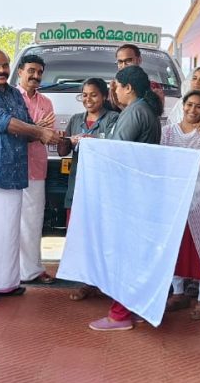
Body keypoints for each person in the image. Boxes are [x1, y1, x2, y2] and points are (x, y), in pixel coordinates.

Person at [0, 49, 61, 304]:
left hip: (16, 172)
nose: (1, 71)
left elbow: (27, 126)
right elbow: (2, 121)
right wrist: (39, 131)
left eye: (5, 65)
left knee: (9, 231)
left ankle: (6, 282)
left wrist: (46, 133)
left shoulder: (13, 94)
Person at [88, 65, 163, 331]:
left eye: (117, 87)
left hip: (130, 192)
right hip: (141, 190)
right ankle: (135, 307)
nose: (115, 92)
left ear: (128, 88)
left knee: (124, 253)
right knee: (136, 253)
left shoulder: (134, 112)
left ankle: (119, 315)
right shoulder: (145, 110)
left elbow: (115, 152)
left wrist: (88, 144)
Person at [57, 78, 119, 301]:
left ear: (104, 96)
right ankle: (86, 283)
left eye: (93, 94)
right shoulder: (76, 119)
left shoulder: (113, 119)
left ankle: (105, 282)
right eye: (84, 95)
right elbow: (62, 151)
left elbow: (114, 148)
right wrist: (64, 140)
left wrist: (91, 140)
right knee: (80, 236)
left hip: (103, 188)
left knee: (103, 235)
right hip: (78, 187)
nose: (88, 99)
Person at [162, 90, 200, 320]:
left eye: (198, 106)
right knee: (174, 246)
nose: (192, 110)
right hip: (173, 200)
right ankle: (178, 293)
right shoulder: (168, 132)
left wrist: (181, 160)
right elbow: (162, 158)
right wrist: (193, 157)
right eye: (189, 104)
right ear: (182, 105)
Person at [15, 54, 56, 285]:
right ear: (20, 71)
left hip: (37, 168)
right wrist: (36, 129)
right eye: (31, 70)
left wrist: (35, 131)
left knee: (33, 221)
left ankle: (32, 270)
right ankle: (10, 271)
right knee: (10, 220)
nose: (36, 76)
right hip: (12, 168)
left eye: (39, 72)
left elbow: (47, 135)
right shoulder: (10, 97)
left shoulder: (46, 102)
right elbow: (12, 130)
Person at [109, 44, 165, 110]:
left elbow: (153, 112)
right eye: (120, 62)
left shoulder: (152, 87)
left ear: (139, 60)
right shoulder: (115, 86)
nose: (124, 65)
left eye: (128, 60)